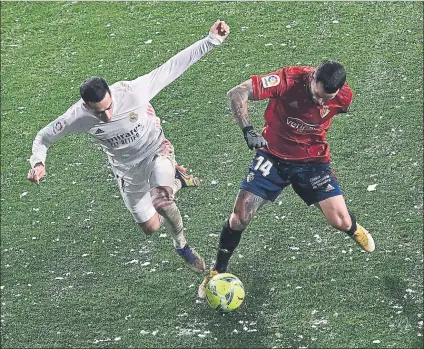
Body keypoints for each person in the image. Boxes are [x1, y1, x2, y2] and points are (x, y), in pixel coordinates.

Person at [27, 20, 230, 275]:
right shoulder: (75, 117)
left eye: (110, 107)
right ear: (86, 106)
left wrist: (212, 40)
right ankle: (178, 181)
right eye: (100, 113)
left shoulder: (134, 91)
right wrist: (38, 162)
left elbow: (173, 67)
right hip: (127, 170)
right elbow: (43, 137)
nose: (108, 116)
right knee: (151, 227)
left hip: (156, 150)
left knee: (161, 202)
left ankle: (182, 246)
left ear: (111, 94)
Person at [198, 60, 375, 297]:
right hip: (272, 157)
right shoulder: (287, 80)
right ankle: (217, 270)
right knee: (240, 216)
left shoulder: (343, 97)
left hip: (312, 162)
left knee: (340, 222)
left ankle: (354, 228)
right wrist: (248, 130)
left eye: (327, 98)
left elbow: (340, 108)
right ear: (313, 78)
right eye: (317, 94)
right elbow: (237, 92)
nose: (321, 102)